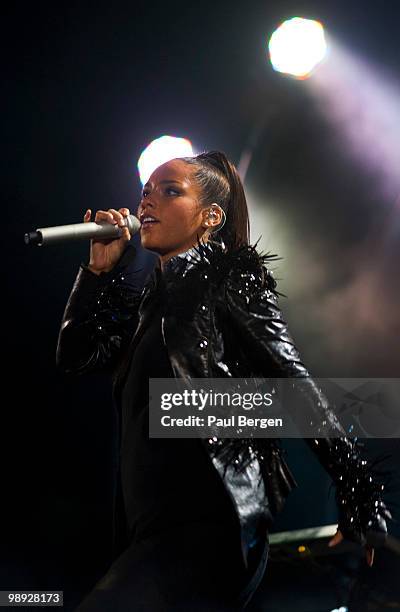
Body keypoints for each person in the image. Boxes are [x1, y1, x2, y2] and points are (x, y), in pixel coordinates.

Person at [56, 151, 393, 611]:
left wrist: (360, 494)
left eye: (170, 190)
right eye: (146, 191)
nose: (148, 200)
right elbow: (75, 358)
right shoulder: (148, 305)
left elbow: (290, 379)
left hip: (209, 524)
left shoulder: (228, 279)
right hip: (149, 530)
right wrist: (98, 273)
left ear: (210, 216)